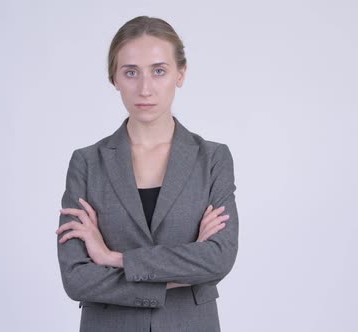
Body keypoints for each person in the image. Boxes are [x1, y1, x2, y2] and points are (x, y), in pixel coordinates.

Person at [55, 15, 239, 332]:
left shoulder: (212, 158)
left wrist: (115, 258)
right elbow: (77, 279)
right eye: (130, 72)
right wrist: (184, 269)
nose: (145, 88)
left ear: (180, 74)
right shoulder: (86, 163)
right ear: (114, 78)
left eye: (158, 71)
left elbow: (217, 259)